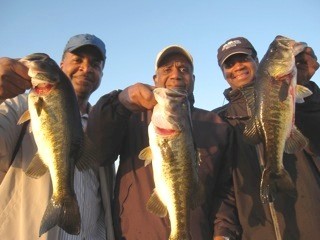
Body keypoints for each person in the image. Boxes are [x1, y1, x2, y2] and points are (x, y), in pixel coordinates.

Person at [86, 45, 242, 240]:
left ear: (193, 80)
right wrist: (122, 100)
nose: (176, 75)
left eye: (184, 70)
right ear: (155, 80)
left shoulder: (217, 126)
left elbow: (225, 191)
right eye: (167, 69)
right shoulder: (131, 117)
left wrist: (224, 233)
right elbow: (97, 152)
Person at [0, 34, 115, 240]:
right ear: (61, 66)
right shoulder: (18, 106)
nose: (86, 68)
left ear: (101, 74)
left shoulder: (102, 126)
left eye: (95, 64)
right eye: (77, 60)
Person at [213, 36, 320, 240]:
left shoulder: (301, 102)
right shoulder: (219, 121)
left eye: (243, 58)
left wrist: (310, 92)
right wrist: (223, 232)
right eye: (229, 63)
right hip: (256, 232)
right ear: (224, 73)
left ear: (257, 61)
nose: (237, 67)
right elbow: (223, 187)